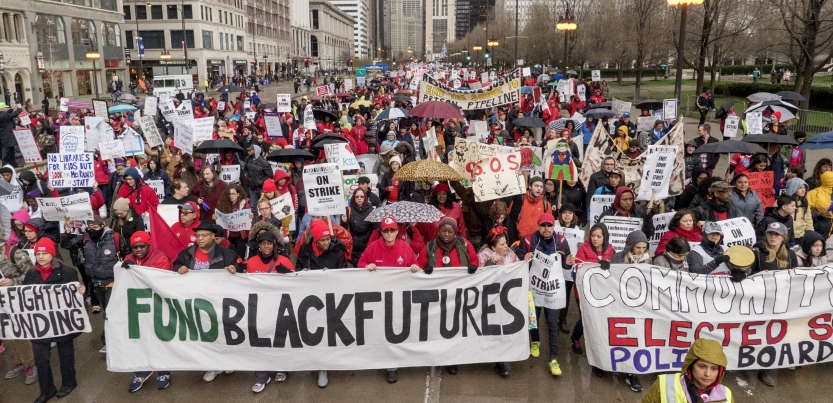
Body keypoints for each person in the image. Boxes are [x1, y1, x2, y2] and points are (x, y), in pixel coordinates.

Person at [172, 222, 240, 383]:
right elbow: (176, 264)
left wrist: (234, 268)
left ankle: (227, 360)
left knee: (222, 332)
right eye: (198, 235)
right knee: (205, 333)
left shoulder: (226, 254)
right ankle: (212, 365)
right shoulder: (187, 253)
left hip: (218, 299)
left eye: (204, 235)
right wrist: (178, 268)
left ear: (213, 237)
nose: (200, 239)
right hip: (196, 300)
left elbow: (239, 267)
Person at [357, 217, 419, 384]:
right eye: (386, 230)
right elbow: (360, 262)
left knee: (395, 331)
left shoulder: (405, 248)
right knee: (379, 330)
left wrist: (414, 267)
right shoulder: (373, 247)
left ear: (398, 231)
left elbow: (415, 265)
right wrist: (366, 267)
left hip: (398, 299)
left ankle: (392, 366)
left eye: (392, 230)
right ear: (381, 232)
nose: (389, 233)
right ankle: (380, 359)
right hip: (378, 298)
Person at [24, 238, 86, 403]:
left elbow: (76, 298)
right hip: (39, 324)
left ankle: (69, 382)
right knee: (40, 358)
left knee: (66, 354)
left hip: (62, 322)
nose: (41, 257)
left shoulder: (67, 272)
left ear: (52, 254)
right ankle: (47, 389)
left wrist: (82, 291)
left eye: (45, 253)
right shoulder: (31, 274)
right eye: (38, 253)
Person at [417, 216, 479, 375]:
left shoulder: (465, 244)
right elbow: (419, 265)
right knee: (437, 326)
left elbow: (474, 260)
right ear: (439, 230)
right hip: (436, 296)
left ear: (455, 232)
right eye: (443, 230)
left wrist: (473, 266)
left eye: (450, 231)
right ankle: (436, 354)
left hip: (458, 295)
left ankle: (452, 359)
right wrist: (425, 268)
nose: (446, 234)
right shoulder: (430, 246)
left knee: (454, 328)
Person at [521, 213, 575, 378]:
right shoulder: (528, 240)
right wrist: (525, 258)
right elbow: (518, 261)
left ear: (554, 226)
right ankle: (535, 341)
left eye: (549, 225)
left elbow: (566, 263)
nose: (546, 228)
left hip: (553, 290)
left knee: (552, 324)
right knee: (533, 320)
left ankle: (553, 358)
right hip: (534, 289)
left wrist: (568, 262)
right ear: (538, 226)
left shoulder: (561, 241)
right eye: (543, 225)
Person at [121, 231, 174, 392]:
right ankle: (142, 371)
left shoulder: (160, 258)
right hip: (138, 306)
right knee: (138, 339)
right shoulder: (128, 259)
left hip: (158, 304)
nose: (138, 250)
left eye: (141, 246)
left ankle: (163, 371)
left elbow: (157, 282)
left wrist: (134, 271)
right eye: (135, 247)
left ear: (148, 245)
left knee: (160, 338)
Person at [59, 215, 119, 353]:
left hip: (112, 283)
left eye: (95, 227)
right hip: (96, 284)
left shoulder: (114, 239)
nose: (92, 230)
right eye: (89, 227)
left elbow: (126, 254)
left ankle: (108, 343)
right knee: (108, 312)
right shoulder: (85, 238)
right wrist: (67, 229)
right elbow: (66, 245)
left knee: (109, 314)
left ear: (102, 226)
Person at [246, 231, 294, 392]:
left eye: (269, 243)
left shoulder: (284, 261)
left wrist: (288, 274)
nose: (266, 246)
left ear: (274, 245)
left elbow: (297, 283)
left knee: (280, 339)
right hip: (259, 308)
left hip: (280, 307)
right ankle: (262, 375)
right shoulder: (251, 262)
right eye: (263, 243)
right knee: (260, 341)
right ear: (258, 245)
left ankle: (281, 367)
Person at [0, 226, 38, 386]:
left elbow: (31, 275)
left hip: (15, 298)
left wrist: (12, 281)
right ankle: (20, 361)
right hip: (1, 301)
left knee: (18, 331)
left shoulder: (13, 252)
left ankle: (30, 363)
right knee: (7, 332)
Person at [641, 338, 734, 403]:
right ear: (690, 365)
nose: (708, 374)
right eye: (702, 366)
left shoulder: (727, 395)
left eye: (714, 368)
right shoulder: (664, 384)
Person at [213, 184, 251, 258]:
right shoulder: (223, 204)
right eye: (229, 194)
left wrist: (250, 217)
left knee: (240, 257)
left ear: (238, 194)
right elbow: (220, 218)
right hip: (228, 236)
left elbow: (249, 219)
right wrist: (215, 218)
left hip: (241, 236)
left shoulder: (244, 204)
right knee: (229, 256)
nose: (231, 196)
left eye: (233, 194)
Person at [341, 189, 377, 266]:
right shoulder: (348, 210)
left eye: (361, 196)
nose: (359, 198)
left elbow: (375, 229)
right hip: (353, 247)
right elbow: (344, 229)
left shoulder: (372, 210)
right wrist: (344, 222)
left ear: (365, 198)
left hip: (367, 246)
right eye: (357, 197)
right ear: (354, 198)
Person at [784, 177, 813, 243]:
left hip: (802, 235)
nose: (803, 190)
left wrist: (811, 234)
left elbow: (808, 220)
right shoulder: (782, 202)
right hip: (787, 236)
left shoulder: (804, 202)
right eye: (800, 188)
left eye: (804, 187)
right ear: (792, 188)